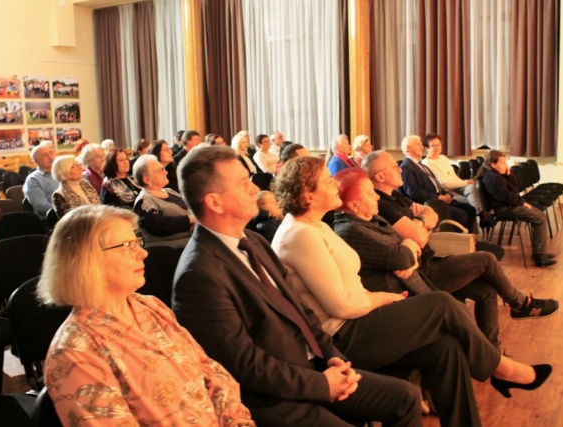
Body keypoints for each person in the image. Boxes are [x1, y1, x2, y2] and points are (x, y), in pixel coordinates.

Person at [271, 156, 554, 427]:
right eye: (327, 181)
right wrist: (384, 298)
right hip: (340, 337)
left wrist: (395, 272)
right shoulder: (299, 235)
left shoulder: (316, 226)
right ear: (308, 196)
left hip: (357, 320)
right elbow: (342, 305)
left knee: (446, 349)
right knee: (441, 304)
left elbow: (375, 272)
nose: (335, 183)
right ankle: (501, 368)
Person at [173, 146, 422, 427]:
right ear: (215, 202)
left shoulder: (253, 242)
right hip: (276, 396)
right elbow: (243, 365)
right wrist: (321, 385)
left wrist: (335, 360)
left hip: (313, 366)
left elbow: (301, 310)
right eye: (243, 183)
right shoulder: (198, 275)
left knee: (405, 398)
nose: (254, 188)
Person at [38, 205, 255, 426]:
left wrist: (237, 421)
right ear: (87, 261)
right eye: (126, 246)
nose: (143, 253)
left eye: (137, 241)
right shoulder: (75, 351)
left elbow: (210, 371)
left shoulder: (149, 306)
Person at [363, 150, 559, 325]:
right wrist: (422, 221)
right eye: (394, 166)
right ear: (380, 176)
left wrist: (420, 221)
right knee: (486, 260)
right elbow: (421, 237)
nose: (399, 169)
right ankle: (522, 304)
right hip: (424, 270)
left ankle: (492, 349)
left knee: (487, 291)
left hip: (431, 257)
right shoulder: (384, 205)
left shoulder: (396, 196)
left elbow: (432, 214)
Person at [479, 150, 557, 267]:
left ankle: (540, 252)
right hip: (504, 208)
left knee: (541, 216)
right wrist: (522, 203)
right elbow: (507, 197)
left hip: (510, 205)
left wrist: (509, 175)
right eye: (503, 163)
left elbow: (515, 189)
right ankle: (539, 257)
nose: (506, 166)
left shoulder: (498, 175)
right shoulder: (492, 178)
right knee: (540, 219)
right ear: (493, 164)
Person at [400, 135, 477, 232]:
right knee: (461, 215)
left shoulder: (420, 164)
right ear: (408, 148)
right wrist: (438, 197)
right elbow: (413, 192)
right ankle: (457, 239)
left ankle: (467, 238)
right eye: (418, 144)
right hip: (429, 203)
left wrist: (445, 194)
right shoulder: (406, 167)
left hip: (439, 198)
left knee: (471, 210)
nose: (422, 147)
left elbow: (435, 183)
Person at [133, 155, 194, 249]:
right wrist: (192, 219)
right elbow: (162, 226)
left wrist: (197, 221)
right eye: (160, 170)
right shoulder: (144, 201)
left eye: (164, 169)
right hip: (171, 249)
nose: (166, 172)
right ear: (147, 180)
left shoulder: (169, 191)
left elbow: (190, 207)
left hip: (191, 240)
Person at [421, 133, 482, 212]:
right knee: (466, 201)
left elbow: (454, 177)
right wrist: (466, 182)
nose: (437, 147)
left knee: (474, 189)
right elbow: (444, 184)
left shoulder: (443, 158)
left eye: (438, 145)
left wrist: (466, 183)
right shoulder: (427, 163)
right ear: (427, 148)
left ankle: (482, 215)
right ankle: (481, 215)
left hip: (457, 186)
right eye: (433, 146)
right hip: (446, 190)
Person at [23, 143, 59, 219]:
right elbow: (42, 206)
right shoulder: (33, 179)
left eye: (50, 153)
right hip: (51, 218)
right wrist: (62, 212)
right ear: (36, 161)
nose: (50, 157)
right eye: (45, 155)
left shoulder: (61, 173)